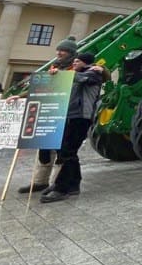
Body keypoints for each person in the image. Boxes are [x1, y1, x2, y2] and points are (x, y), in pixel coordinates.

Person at [41, 51, 103, 203]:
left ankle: (62, 188)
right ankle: (74, 184)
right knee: (67, 151)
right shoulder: (79, 74)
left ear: (85, 62)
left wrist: (60, 74)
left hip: (81, 118)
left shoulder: (93, 74)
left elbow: (81, 79)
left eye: (77, 61)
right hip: (70, 116)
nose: (74, 63)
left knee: (67, 151)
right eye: (74, 61)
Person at [17, 38, 77, 194]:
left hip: (65, 113)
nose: (58, 53)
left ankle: (56, 183)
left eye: (62, 50)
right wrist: (20, 96)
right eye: (58, 50)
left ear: (70, 53)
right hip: (49, 112)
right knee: (44, 148)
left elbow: (99, 73)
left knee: (61, 150)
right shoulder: (53, 68)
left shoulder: (76, 69)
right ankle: (40, 181)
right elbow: (42, 88)